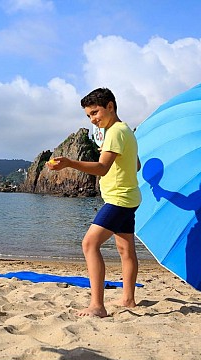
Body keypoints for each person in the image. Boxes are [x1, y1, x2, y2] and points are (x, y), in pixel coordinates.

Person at [48, 88, 141, 317]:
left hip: (119, 199)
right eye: (88, 116)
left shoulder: (115, 132)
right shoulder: (125, 130)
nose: (93, 119)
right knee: (125, 249)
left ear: (110, 106)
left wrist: (70, 162)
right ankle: (128, 299)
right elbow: (136, 165)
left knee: (89, 244)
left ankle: (97, 305)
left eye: (95, 112)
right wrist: (110, 154)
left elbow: (102, 168)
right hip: (128, 197)